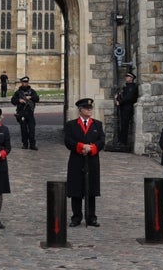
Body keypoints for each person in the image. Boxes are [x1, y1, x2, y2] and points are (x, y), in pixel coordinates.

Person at [64, 97, 105, 227]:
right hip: (77, 160)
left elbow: (101, 140)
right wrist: (81, 146)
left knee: (91, 189)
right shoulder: (71, 125)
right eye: (87, 109)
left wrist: (92, 148)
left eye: (90, 108)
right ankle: (76, 217)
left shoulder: (97, 124)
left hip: (92, 160)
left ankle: (91, 217)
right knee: (76, 189)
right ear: (80, 110)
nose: (89, 110)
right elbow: (68, 141)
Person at [10, 76, 40, 150]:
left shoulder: (32, 91)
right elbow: (13, 101)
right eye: (23, 82)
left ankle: (32, 145)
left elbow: (37, 99)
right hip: (22, 113)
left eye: (26, 82)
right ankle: (25, 144)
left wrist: (31, 97)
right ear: (21, 83)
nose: (25, 84)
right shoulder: (18, 92)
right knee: (24, 130)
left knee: (32, 129)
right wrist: (19, 100)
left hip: (30, 113)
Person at [113, 71, 139, 145]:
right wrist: (118, 97)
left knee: (125, 125)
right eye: (126, 76)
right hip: (124, 107)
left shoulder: (131, 87)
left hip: (127, 108)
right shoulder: (127, 87)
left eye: (128, 77)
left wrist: (120, 102)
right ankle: (121, 140)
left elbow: (128, 98)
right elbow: (123, 96)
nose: (126, 78)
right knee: (123, 124)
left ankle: (123, 142)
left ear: (131, 78)